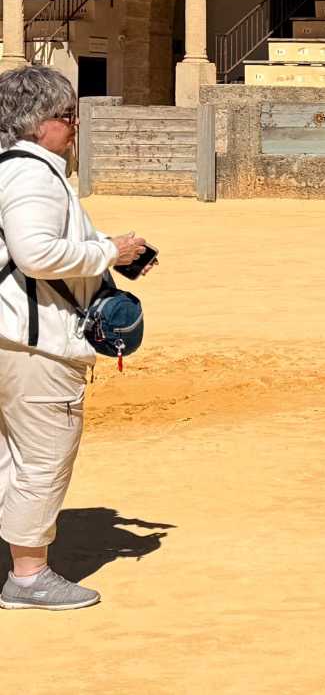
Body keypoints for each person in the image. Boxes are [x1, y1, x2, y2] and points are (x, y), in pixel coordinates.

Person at [0, 66, 149, 609]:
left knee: (10, 453)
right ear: (38, 123)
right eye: (67, 115)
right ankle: (29, 576)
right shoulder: (34, 175)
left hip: (10, 334)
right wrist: (109, 251)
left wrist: (107, 249)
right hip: (35, 343)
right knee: (42, 456)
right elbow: (35, 253)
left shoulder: (8, 169)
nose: (75, 125)